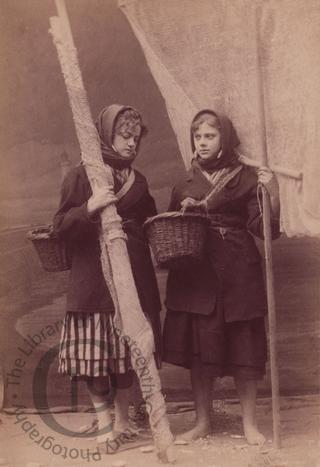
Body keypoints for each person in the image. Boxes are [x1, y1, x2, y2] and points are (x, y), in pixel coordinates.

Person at [163, 109, 280, 445]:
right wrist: (184, 209)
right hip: (197, 275)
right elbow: (171, 225)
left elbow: (264, 230)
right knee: (200, 352)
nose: (202, 142)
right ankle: (202, 422)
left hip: (237, 272)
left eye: (210, 136)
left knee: (244, 349)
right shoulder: (183, 182)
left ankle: (249, 424)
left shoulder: (246, 178)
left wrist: (270, 193)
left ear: (224, 139)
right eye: (198, 136)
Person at [53, 104, 162, 451]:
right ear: (106, 135)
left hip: (133, 276)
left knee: (128, 354)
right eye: (124, 136)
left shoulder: (138, 181)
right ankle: (104, 425)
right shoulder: (83, 175)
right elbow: (60, 227)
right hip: (95, 280)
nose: (131, 144)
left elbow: (150, 224)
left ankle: (125, 420)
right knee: (97, 357)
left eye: (135, 138)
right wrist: (90, 207)